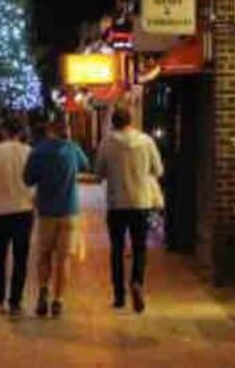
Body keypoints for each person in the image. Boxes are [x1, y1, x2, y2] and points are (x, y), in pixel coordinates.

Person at [94, 105, 163, 313]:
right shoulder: (147, 141)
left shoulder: (107, 142)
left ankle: (119, 296)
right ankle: (137, 282)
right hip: (141, 202)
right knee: (140, 248)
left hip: (117, 203)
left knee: (116, 250)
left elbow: (99, 172)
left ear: (113, 122)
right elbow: (158, 169)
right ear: (131, 121)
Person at [23, 116, 89, 318]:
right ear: (66, 130)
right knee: (64, 259)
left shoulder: (39, 150)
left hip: (46, 212)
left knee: (44, 255)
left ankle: (43, 291)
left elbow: (27, 179)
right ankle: (58, 300)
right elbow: (86, 166)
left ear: (51, 129)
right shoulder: (72, 149)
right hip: (69, 211)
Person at [0, 116, 34, 316]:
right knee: (21, 258)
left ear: (3, 131)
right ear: (21, 132)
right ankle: (16, 302)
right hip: (23, 211)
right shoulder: (29, 152)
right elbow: (35, 181)